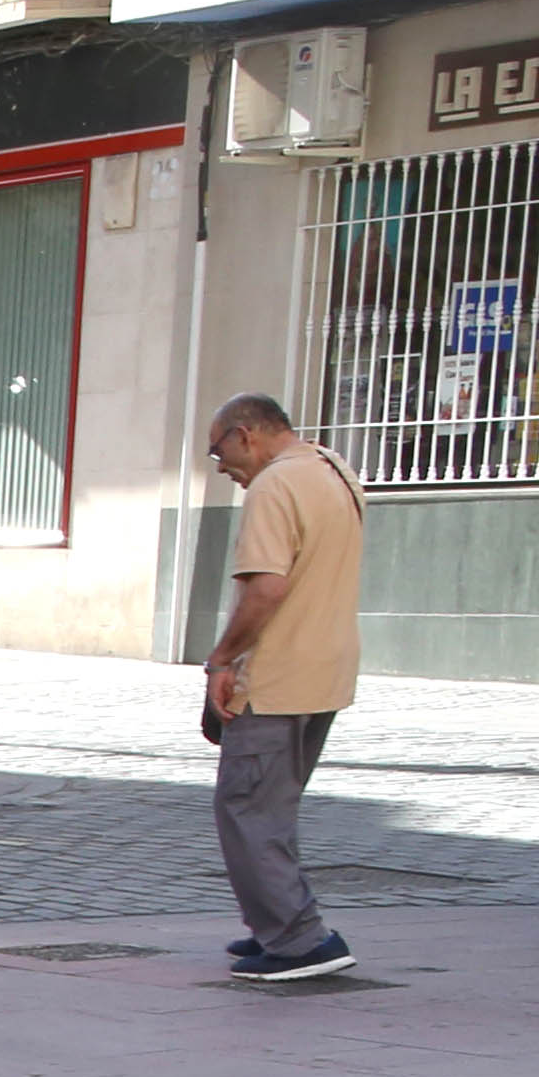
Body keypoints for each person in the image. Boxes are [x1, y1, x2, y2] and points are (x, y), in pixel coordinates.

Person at [203, 393, 365, 984]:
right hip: (326, 666)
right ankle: (275, 926)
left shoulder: (275, 486)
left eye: (219, 452)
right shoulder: (333, 470)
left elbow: (266, 590)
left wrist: (221, 660)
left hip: (278, 675)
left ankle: (299, 941)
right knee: (272, 806)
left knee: (247, 808)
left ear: (246, 435)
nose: (221, 467)